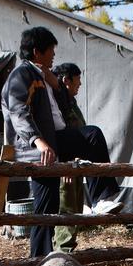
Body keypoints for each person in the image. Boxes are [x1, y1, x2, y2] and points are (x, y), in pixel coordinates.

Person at [1, 27, 123, 258]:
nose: (54, 55)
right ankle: (38, 261)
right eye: (51, 50)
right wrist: (38, 141)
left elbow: (63, 110)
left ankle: (101, 199)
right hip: (38, 150)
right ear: (37, 52)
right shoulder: (22, 76)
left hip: (56, 141)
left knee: (92, 136)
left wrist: (56, 86)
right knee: (45, 208)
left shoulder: (43, 76)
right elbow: (18, 112)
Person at [52, 62, 85, 253]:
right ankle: (63, 251)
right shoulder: (58, 103)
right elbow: (59, 134)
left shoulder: (70, 101)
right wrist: (64, 163)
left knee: (75, 208)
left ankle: (67, 249)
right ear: (66, 80)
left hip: (75, 163)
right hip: (66, 165)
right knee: (66, 208)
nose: (79, 85)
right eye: (77, 81)